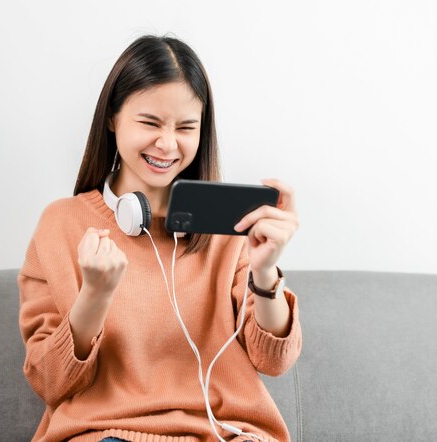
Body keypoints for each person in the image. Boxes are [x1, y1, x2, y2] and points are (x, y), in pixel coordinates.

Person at [17, 34, 302, 442]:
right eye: (149, 123)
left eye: (186, 127)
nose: (167, 144)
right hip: (107, 434)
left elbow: (274, 360)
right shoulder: (61, 224)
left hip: (228, 434)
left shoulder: (230, 227)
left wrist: (265, 271)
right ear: (112, 118)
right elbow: (49, 382)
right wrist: (94, 296)